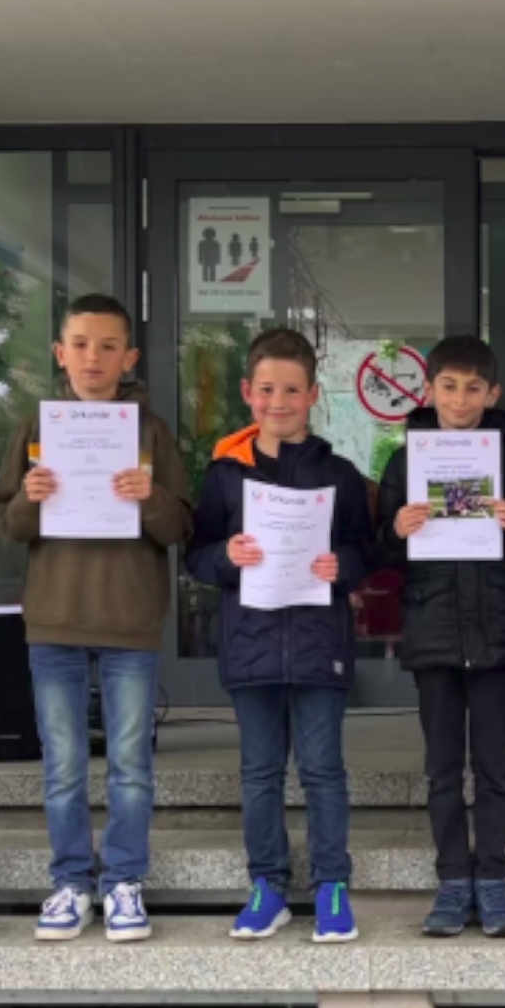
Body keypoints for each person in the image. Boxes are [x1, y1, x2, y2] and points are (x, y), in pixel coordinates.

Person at [0, 293, 191, 943]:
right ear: (59, 353)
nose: (93, 357)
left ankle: (126, 879)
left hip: (130, 616)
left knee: (131, 761)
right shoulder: (35, 427)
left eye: (108, 346)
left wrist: (150, 496)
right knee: (64, 764)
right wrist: (31, 496)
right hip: (54, 618)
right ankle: (71, 882)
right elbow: (7, 523)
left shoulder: (151, 431)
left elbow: (181, 524)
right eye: (80, 343)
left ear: (129, 356)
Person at [187, 327, 375, 944]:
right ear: (248, 392)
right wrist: (226, 556)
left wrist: (341, 566)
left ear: (313, 394)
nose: (279, 400)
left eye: (292, 389)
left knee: (324, 770)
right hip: (252, 643)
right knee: (260, 772)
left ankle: (331, 886)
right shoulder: (223, 474)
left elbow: (364, 551)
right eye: (267, 389)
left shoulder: (341, 475)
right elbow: (195, 555)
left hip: (320, 643)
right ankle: (267, 885)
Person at [375, 336, 505, 938]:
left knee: (495, 765)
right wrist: (396, 526)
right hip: (434, 629)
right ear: (430, 390)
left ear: (492, 393)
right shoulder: (403, 462)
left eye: (474, 388)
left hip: (496, 630)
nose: (461, 399)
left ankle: (492, 879)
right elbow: (380, 550)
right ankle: (451, 881)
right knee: (442, 767)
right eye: (449, 386)